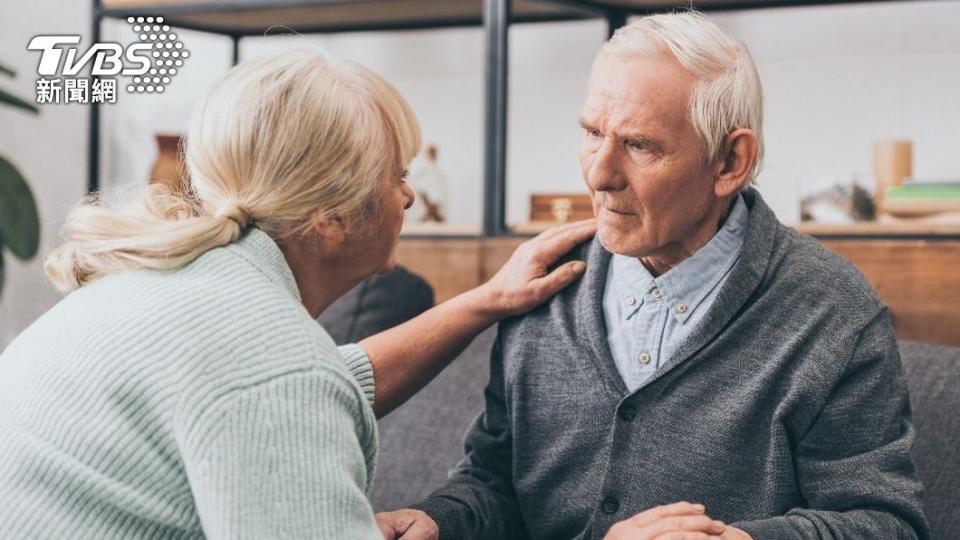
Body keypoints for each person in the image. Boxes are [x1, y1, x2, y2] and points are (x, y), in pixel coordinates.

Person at [0, 49, 596, 539]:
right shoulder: (272, 367)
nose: (408, 198)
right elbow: (283, 386)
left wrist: (485, 300)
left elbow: (323, 380)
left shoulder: (167, 285)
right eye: (397, 175)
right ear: (331, 219)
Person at [377, 12, 929, 540]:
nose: (598, 175)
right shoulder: (542, 286)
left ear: (730, 163)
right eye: (593, 132)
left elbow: (884, 523)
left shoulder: (833, 312)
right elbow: (494, 483)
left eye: (639, 145)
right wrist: (440, 520)